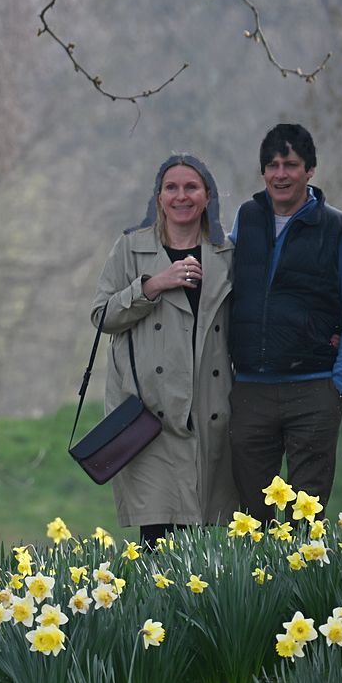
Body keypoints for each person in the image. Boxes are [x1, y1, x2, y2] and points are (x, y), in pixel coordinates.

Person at [90, 154, 240, 545]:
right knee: (157, 538)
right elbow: (102, 316)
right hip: (148, 416)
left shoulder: (227, 254)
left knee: (206, 542)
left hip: (211, 413)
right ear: (159, 197)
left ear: (207, 196)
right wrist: (153, 285)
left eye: (191, 187)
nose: (181, 196)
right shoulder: (130, 248)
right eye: (171, 188)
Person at [228, 123, 342, 519]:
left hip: (314, 389)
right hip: (251, 390)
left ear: (310, 170)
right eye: (272, 165)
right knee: (252, 517)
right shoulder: (246, 219)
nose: (280, 174)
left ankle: (304, 566)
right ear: (262, 172)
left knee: (306, 518)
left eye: (290, 164)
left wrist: (340, 384)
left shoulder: (337, 229)